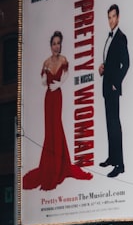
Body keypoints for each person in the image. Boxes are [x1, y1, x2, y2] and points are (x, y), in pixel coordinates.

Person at [22, 31, 93, 191]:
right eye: (54, 43)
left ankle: (60, 165)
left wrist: (59, 84)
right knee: (49, 129)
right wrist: (46, 77)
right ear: (51, 45)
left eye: (58, 43)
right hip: (48, 97)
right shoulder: (46, 62)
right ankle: (50, 165)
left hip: (57, 95)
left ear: (60, 44)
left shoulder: (63, 59)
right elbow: (42, 82)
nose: (56, 46)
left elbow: (66, 74)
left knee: (57, 126)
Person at [99, 4, 129, 178]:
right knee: (109, 123)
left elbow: (126, 63)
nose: (111, 20)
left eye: (113, 17)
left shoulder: (121, 37)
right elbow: (111, 62)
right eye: (109, 17)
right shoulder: (109, 37)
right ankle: (112, 157)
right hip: (106, 86)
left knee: (115, 124)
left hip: (112, 88)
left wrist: (116, 83)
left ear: (118, 17)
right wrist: (103, 68)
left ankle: (120, 164)